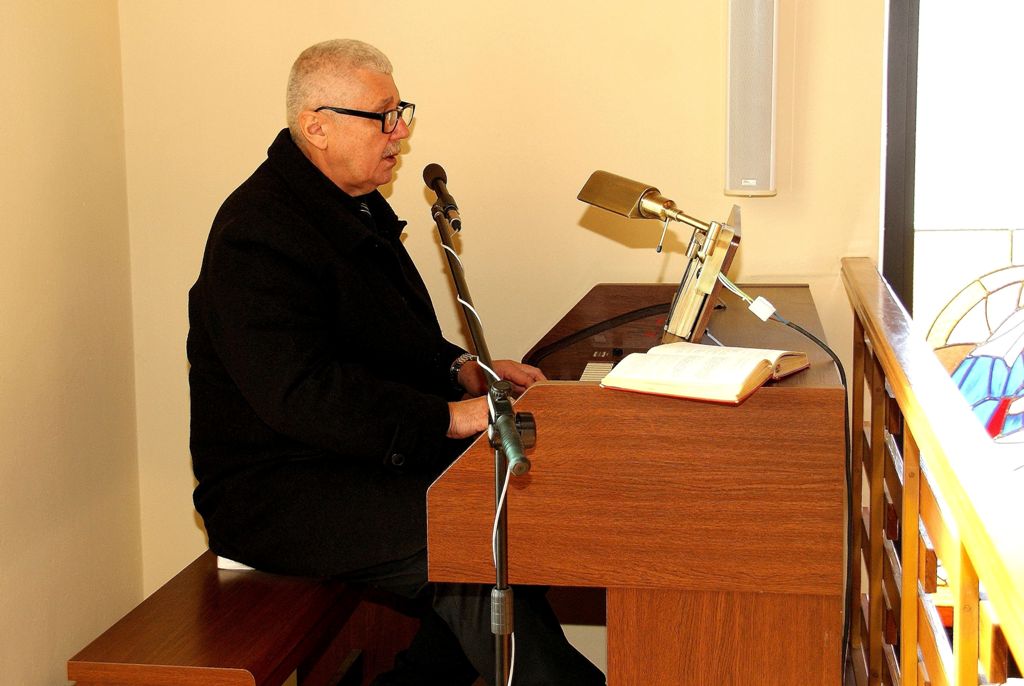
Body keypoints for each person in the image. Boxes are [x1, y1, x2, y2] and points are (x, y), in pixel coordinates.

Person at [187, 39, 605, 685]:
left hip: (357, 460)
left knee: (525, 515)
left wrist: (462, 369)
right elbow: (303, 394)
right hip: (277, 491)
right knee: (479, 537)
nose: (401, 132)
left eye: (400, 112)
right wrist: (449, 418)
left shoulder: (348, 203)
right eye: (383, 116)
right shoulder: (259, 232)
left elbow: (388, 337)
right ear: (316, 127)